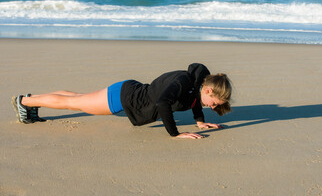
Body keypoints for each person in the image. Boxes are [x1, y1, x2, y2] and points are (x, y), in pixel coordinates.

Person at [11, 63, 232, 139]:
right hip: (122, 98)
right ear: (209, 89)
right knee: (75, 103)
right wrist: (175, 134)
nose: (213, 107)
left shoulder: (193, 85)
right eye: (214, 102)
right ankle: (25, 102)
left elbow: (194, 101)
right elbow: (163, 104)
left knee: (78, 97)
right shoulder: (184, 82)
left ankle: (31, 100)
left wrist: (200, 121)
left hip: (128, 91)